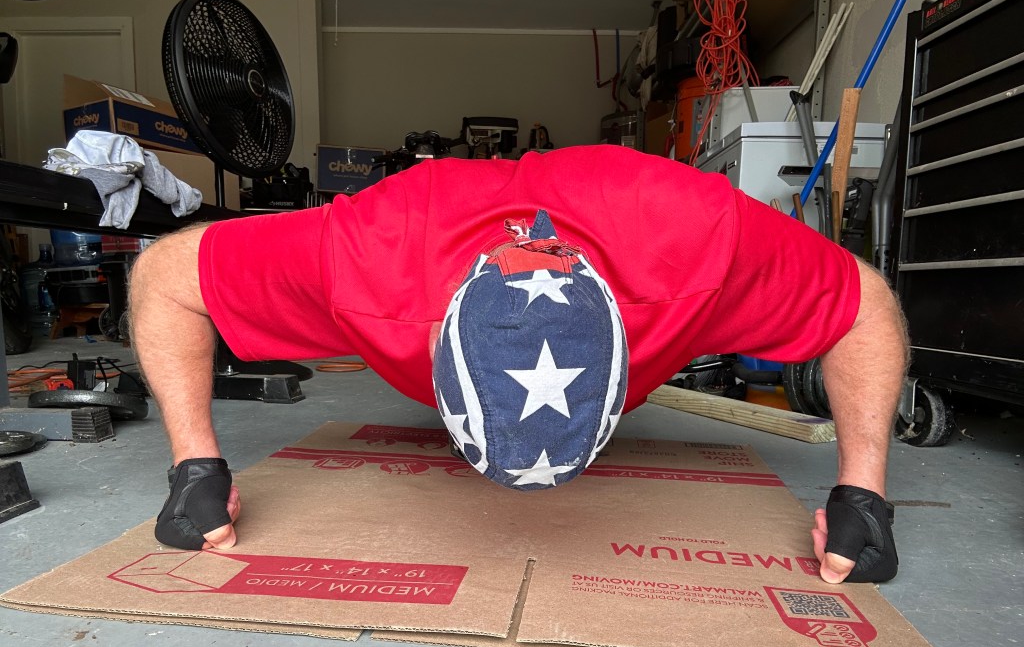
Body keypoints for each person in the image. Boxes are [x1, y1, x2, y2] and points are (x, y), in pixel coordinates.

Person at [128, 145, 907, 584]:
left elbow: (863, 304)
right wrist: (195, 467)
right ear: (427, 341)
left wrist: (864, 493)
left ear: (637, 341)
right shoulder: (365, 261)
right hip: (416, 235)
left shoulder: (698, 242)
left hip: (640, 220)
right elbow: (165, 275)